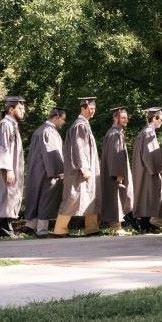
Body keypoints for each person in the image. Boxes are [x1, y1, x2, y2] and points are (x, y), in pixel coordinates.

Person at [57, 97, 101, 237]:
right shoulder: (80, 125)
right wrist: (84, 167)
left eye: (94, 108)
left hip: (85, 169)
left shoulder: (84, 124)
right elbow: (79, 146)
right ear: (83, 108)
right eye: (90, 108)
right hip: (79, 170)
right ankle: (59, 229)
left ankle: (92, 228)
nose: (93, 111)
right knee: (72, 198)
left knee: (91, 196)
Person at [0, 96, 26, 237]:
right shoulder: (5, 125)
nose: (23, 111)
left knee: (8, 198)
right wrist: (8, 169)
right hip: (4, 170)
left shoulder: (12, 124)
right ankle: (1, 229)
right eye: (20, 108)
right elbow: (2, 148)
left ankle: (3, 229)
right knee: (4, 198)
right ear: (11, 109)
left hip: (10, 169)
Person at [24, 107, 67, 236]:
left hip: (37, 171)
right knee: (46, 199)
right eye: (63, 119)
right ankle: (42, 230)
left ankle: (30, 226)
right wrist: (59, 172)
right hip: (48, 172)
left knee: (37, 198)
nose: (64, 122)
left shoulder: (39, 130)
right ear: (56, 117)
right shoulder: (48, 131)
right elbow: (52, 154)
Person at [97, 106, 134, 234]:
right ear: (115, 118)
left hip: (113, 172)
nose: (126, 120)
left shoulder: (115, 132)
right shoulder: (115, 134)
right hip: (115, 174)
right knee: (115, 197)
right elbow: (115, 155)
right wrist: (118, 174)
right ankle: (116, 227)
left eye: (126, 118)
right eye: (123, 118)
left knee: (115, 198)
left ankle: (116, 226)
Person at [130, 106, 162, 233]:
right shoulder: (148, 132)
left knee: (146, 196)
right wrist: (157, 169)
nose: (161, 122)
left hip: (144, 170)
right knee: (148, 196)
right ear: (154, 118)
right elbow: (149, 154)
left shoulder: (145, 132)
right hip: (147, 171)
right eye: (160, 119)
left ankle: (146, 224)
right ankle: (144, 225)